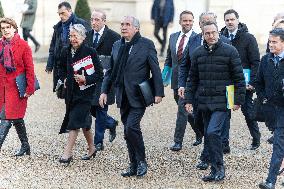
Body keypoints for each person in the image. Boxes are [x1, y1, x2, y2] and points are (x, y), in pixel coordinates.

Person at [99, 16, 164, 177]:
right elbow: (110, 72)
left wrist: (158, 92)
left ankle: (142, 161)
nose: (123, 27)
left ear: (136, 28)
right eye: (122, 24)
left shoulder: (146, 45)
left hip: (138, 95)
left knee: (131, 127)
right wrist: (104, 91)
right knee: (128, 132)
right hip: (122, 94)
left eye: (127, 24)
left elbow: (155, 70)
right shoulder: (116, 45)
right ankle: (133, 164)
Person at [184, 21, 246, 182]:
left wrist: (238, 100)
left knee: (212, 132)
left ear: (218, 33)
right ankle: (213, 169)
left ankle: (219, 167)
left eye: (213, 32)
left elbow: (239, 78)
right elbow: (192, 79)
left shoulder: (230, 51)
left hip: (222, 101)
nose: (211, 36)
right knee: (208, 134)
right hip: (204, 102)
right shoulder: (197, 53)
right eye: (207, 33)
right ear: (203, 35)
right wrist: (188, 100)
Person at [179, 12, 231, 171]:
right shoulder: (193, 41)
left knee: (214, 128)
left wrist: (233, 99)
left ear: (216, 25)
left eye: (211, 22)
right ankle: (214, 148)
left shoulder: (227, 43)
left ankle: (208, 156)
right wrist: (182, 85)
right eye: (204, 22)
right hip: (197, 90)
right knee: (197, 120)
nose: (207, 24)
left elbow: (234, 73)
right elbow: (185, 65)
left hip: (220, 94)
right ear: (200, 25)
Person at [57, 24, 103, 163]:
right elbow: (61, 68)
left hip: (86, 94)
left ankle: (67, 153)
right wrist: (64, 78)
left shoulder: (91, 52)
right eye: (70, 36)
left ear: (83, 37)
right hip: (70, 93)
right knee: (84, 122)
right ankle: (92, 147)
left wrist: (86, 79)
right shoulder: (65, 51)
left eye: (75, 36)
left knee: (74, 121)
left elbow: (99, 74)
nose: (72, 39)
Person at [221, 9, 261, 150]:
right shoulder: (220, 37)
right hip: (227, 82)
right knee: (225, 113)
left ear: (238, 20)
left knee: (248, 112)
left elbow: (256, 62)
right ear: (224, 22)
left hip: (244, 83)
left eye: (232, 19)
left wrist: (252, 82)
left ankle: (256, 138)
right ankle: (224, 144)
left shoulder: (249, 38)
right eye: (227, 20)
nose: (230, 22)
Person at [0, 18, 36, 156]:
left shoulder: (23, 45)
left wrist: (29, 88)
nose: (5, 30)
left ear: (14, 28)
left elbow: (29, 68)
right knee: (16, 117)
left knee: (7, 118)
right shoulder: (0, 45)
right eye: (3, 28)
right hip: (2, 88)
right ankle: (25, 145)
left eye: (8, 27)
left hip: (17, 88)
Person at [85, 9, 120, 151]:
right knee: (90, 108)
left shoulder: (114, 37)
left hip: (105, 80)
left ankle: (98, 142)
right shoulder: (86, 36)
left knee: (100, 109)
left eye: (97, 20)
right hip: (89, 79)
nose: (94, 22)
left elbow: (117, 59)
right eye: (92, 19)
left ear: (104, 21)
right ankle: (111, 123)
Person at [163, 10, 197, 151]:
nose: (187, 23)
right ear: (180, 21)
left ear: (193, 22)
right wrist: (164, 76)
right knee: (186, 109)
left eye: (190, 20)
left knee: (182, 110)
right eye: (185, 20)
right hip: (176, 80)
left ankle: (178, 141)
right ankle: (200, 132)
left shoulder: (197, 38)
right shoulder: (172, 37)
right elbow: (169, 59)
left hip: (191, 80)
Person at [257, 28, 284, 189]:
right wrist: (264, 97)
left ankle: (270, 181)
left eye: (274, 42)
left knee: (278, 145)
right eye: (270, 41)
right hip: (272, 111)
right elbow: (259, 82)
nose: (271, 44)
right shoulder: (265, 59)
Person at [46, 1, 91, 92]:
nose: (61, 16)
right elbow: (53, 46)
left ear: (70, 11)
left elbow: (88, 43)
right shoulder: (58, 27)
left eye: (63, 13)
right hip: (61, 63)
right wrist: (49, 64)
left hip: (77, 62)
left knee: (77, 89)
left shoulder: (81, 23)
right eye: (59, 14)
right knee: (63, 91)